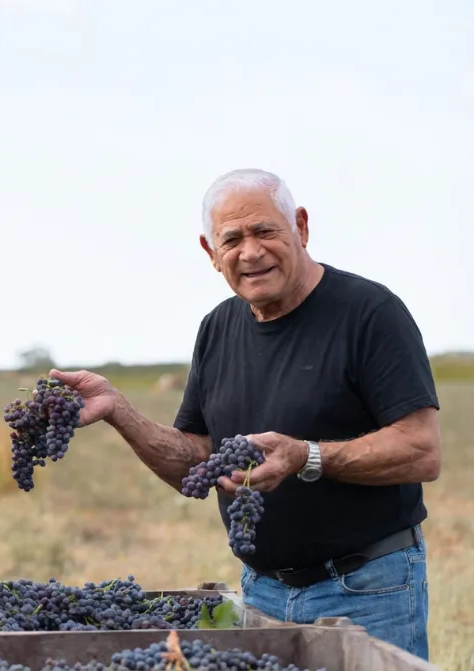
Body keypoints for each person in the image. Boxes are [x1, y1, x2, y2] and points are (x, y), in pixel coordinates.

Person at [50, 168, 440, 660]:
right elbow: (196, 464)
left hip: (366, 588)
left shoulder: (369, 312)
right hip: (261, 593)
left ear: (299, 226)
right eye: (231, 239)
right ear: (210, 252)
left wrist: (305, 457)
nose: (250, 252)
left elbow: (421, 450)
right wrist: (118, 411)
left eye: (264, 231)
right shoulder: (217, 329)